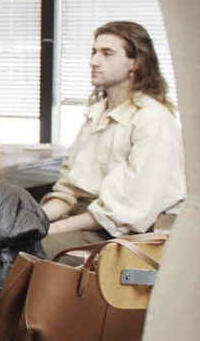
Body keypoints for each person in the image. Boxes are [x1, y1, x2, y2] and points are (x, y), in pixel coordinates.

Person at [41, 20, 183, 256]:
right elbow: (67, 192)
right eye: (94, 52)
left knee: (28, 253)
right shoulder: (96, 115)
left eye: (107, 53)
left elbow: (122, 212)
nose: (93, 61)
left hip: (121, 233)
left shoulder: (152, 119)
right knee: (2, 244)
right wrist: (35, 222)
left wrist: (52, 229)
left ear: (135, 62)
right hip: (84, 219)